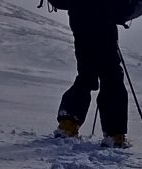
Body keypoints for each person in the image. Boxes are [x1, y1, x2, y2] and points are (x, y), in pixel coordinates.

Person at [54, 4, 130, 148]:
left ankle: (68, 123)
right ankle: (114, 134)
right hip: (103, 22)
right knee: (111, 77)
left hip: (80, 20)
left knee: (86, 75)